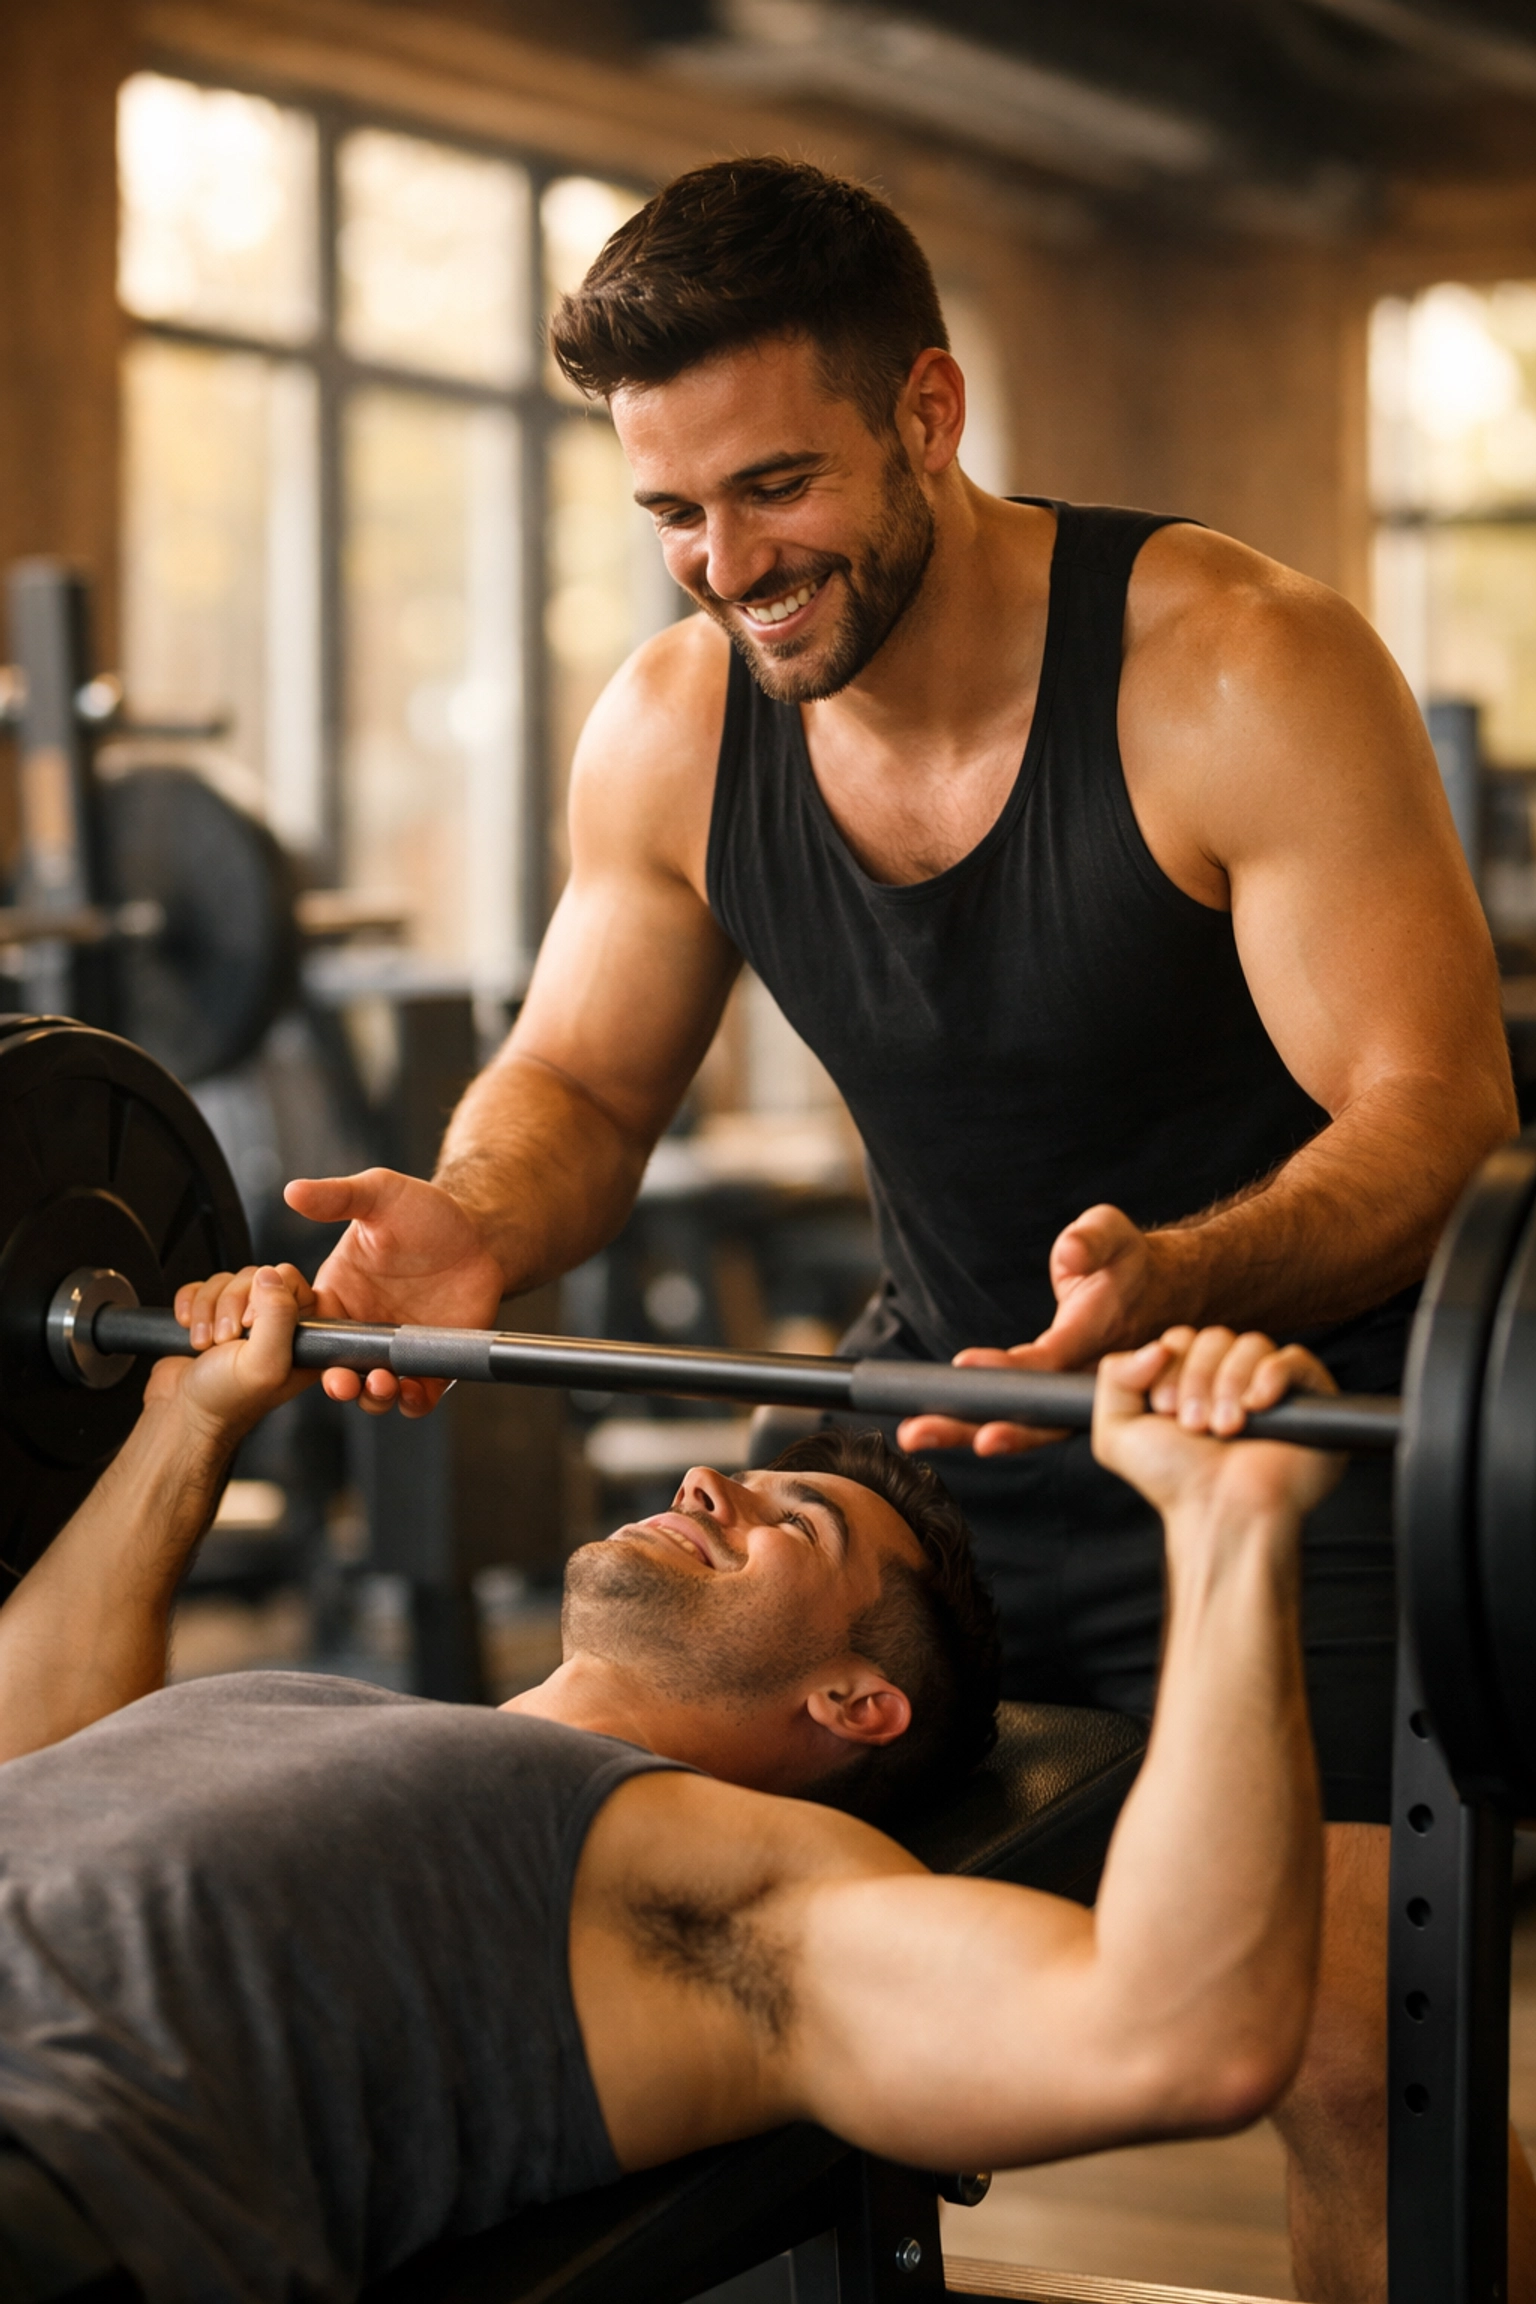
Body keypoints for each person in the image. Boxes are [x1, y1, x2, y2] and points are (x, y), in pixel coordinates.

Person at [260, 161, 1523, 2301]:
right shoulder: (674, 725)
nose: (728, 566)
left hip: (1289, 1437)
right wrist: (474, 1222)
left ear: (929, 412)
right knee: (625, 1913)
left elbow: (1436, 1115)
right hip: (927, 1449)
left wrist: (1182, 1277)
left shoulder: (1235, 665)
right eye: (674, 512)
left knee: (1348, 2069)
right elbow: (581, 1085)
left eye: (777, 487)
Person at [0, 1264, 1334, 2304]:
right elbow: (30, 1751)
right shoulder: (318, 1709)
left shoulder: (727, 1872)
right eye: (739, 1477)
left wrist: (1229, 1530)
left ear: (853, 1702)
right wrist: (189, 1417)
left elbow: (1175, 2034)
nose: (706, 1483)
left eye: (793, 1522)